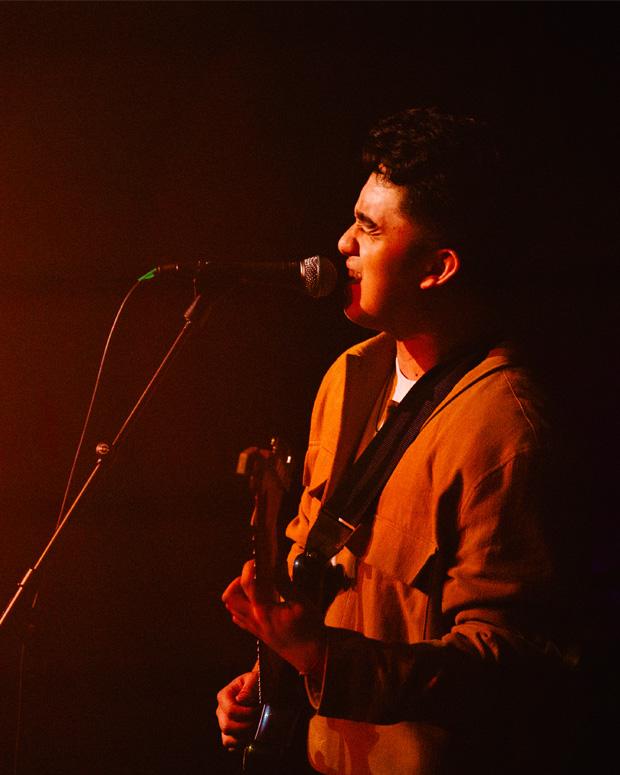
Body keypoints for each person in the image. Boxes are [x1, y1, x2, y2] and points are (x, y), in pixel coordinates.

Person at [216, 107, 579, 774]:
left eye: (371, 228)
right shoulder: (348, 376)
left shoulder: (506, 427)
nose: (342, 244)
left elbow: (512, 664)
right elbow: (337, 591)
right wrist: (277, 676)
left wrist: (324, 659)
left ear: (437, 267)